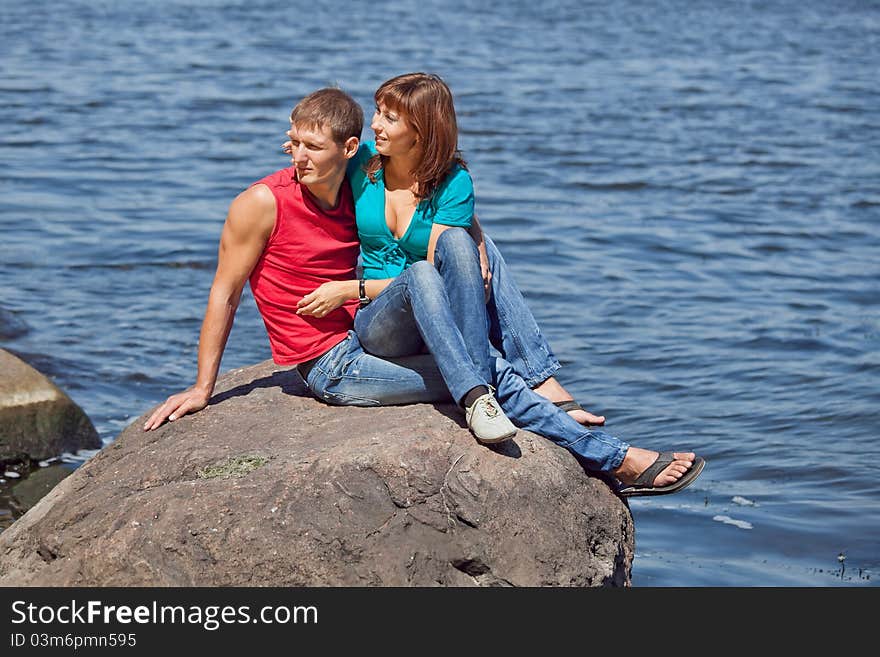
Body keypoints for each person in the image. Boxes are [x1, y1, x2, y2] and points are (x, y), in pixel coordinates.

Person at [145, 86, 704, 497]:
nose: (297, 158)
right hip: (333, 367)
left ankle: (525, 394)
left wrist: (476, 241)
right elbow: (224, 292)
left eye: (311, 146)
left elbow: (437, 201)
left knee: (462, 256)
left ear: (350, 148)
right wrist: (202, 388)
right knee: (483, 365)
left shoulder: (359, 178)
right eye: (292, 143)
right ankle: (613, 458)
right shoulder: (261, 203)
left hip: (373, 329)